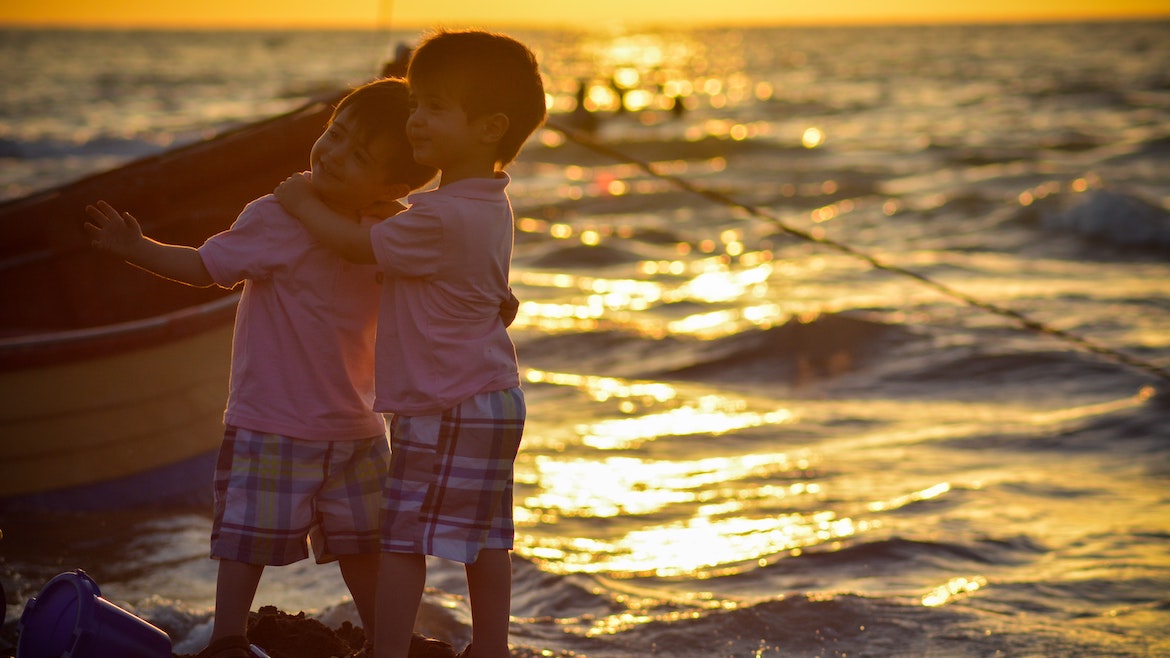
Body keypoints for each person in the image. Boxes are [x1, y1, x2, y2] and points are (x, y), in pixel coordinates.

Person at [83, 78, 438, 658]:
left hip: (357, 430)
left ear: (392, 186)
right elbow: (204, 266)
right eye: (334, 134)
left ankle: (385, 639)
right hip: (273, 420)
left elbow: (436, 287)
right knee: (244, 540)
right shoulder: (275, 216)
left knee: (365, 545)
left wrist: (490, 300)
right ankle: (228, 637)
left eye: (359, 156)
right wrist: (138, 248)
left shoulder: (390, 234)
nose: (333, 154)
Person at [273, 28, 547, 658]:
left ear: (489, 127)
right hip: (491, 396)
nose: (414, 120)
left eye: (433, 108)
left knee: (402, 539)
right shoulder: (485, 204)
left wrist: (297, 201)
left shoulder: (438, 216)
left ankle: (388, 650)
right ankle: (491, 647)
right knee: (484, 536)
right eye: (416, 103)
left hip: (443, 403)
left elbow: (354, 245)